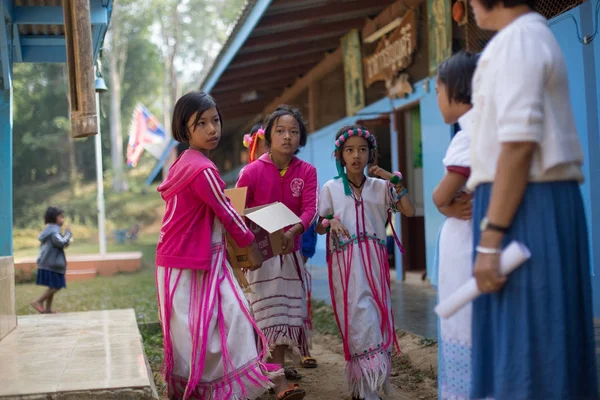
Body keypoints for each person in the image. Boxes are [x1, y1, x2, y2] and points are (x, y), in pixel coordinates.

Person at [468, 1, 598, 399]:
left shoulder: (518, 41)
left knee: (531, 352)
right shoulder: (522, 39)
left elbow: (519, 144)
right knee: (529, 346)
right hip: (522, 201)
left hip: (525, 206)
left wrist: (490, 239)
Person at [155, 91, 280, 400]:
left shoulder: (184, 162)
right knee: (227, 320)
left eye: (215, 121)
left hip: (180, 261)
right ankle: (224, 389)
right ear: (185, 130)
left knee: (202, 327)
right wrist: (251, 246)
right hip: (190, 263)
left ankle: (204, 387)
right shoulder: (203, 169)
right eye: (201, 123)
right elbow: (226, 211)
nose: (212, 129)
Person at [316, 125, 415, 400]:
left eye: (362, 149)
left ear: (370, 153)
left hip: (374, 263)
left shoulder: (381, 187)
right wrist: (329, 220)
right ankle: (366, 387)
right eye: (350, 150)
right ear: (340, 155)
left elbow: (408, 210)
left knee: (377, 316)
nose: (356, 155)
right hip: (346, 267)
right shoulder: (331, 189)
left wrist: (396, 183)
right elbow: (318, 225)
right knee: (358, 318)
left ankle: (372, 383)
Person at [236, 105, 318, 400]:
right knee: (265, 318)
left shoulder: (307, 171)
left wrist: (296, 229)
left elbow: (310, 208)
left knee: (284, 317)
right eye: (280, 131)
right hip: (261, 260)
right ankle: (277, 380)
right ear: (268, 135)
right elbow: (238, 212)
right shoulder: (251, 171)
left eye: (294, 132)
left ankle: (273, 374)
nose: (287, 137)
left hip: (291, 256)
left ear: (301, 137)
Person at [432, 51, 478, 400]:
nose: (436, 99)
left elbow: (440, 195)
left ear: (457, 90)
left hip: (465, 241)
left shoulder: (468, 135)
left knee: (462, 318)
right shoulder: (488, 125)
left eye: (437, 90)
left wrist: (444, 205)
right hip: (477, 232)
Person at [31, 206, 72, 314]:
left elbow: (60, 244)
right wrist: (68, 233)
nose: (63, 220)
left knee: (52, 285)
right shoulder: (53, 232)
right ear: (54, 218)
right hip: (52, 263)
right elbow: (62, 242)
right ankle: (38, 301)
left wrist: (65, 239)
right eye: (61, 217)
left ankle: (48, 309)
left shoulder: (50, 230)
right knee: (57, 286)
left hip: (49, 262)